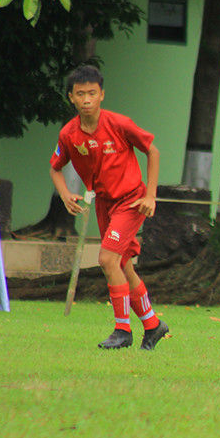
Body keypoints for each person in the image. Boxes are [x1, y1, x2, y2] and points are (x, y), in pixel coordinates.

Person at [49, 65, 169, 350]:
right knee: (122, 265)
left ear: (102, 95)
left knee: (106, 260)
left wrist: (150, 195)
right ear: (71, 99)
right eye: (81, 94)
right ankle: (153, 325)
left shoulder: (119, 124)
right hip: (104, 203)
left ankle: (122, 330)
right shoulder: (69, 134)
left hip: (130, 201)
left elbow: (152, 150)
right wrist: (65, 194)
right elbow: (55, 167)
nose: (87, 99)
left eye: (92, 93)